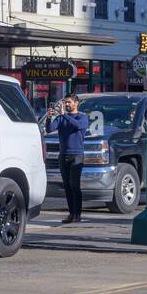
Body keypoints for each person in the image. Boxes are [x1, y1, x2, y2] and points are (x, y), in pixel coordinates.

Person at [46, 94, 89, 225]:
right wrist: (49, 117)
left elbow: (78, 126)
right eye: (65, 102)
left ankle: (77, 214)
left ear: (76, 103)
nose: (67, 104)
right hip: (63, 155)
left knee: (75, 186)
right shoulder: (61, 118)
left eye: (69, 102)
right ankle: (71, 214)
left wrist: (64, 115)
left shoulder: (82, 117)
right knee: (67, 186)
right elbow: (49, 129)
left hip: (77, 155)